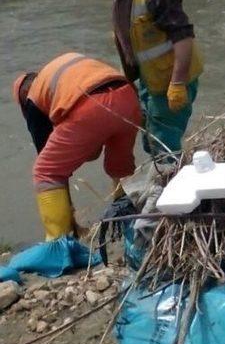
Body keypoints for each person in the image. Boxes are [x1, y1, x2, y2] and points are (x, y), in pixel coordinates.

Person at [74, 0, 203, 154]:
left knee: (163, 146)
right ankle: (165, 178)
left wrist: (178, 83)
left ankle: (168, 183)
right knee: (149, 141)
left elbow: (183, 38)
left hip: (171, 82)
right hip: (149, 80)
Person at [13, 53, 141, 241]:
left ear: (23, 98)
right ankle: (131, 228)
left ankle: (60, 243)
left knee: (45, 172)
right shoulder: (63, 69)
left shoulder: (33, 100)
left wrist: (71, 219)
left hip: (90, 106)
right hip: (128, 97)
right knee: (120, 169)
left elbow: (56, 175)